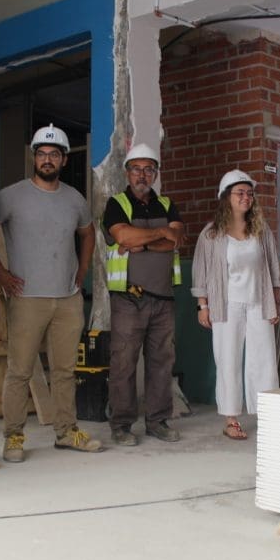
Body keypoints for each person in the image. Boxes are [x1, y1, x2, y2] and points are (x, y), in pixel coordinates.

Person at [0, 124, 101, 462]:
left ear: (64, 159)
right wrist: (0, 273)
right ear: (34, 157)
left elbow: (88, 233)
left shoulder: (74, 199)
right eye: (41, 153)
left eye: (54, 154)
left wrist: (82, 270)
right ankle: (13, 437)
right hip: (26, 298)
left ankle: (66, 432)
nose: (47, 159)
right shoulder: (10, 196)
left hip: (67, 299)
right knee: (20, 371)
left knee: (65, 371)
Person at [191, 170, 280, 440]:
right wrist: (202, 306)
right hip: (226, 305)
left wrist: (277, 302)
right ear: (226, 197)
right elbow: (200, 271)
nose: (246, 197)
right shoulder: (211, 234)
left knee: (264, 360)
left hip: (259, 304)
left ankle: (268, 415)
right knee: (228, 360)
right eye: (240, 193)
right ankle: (231, 419)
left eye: (250, 193)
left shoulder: (261, 230)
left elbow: (273, 267)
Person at [103, 143, 183, 446]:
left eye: (149, 169)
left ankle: (157, 421)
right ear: (127, 172)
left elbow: (176, 239)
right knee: (123, 363)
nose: (142, 174)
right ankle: (121, 425)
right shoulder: (116, 204)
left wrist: (144, 242)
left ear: (155, 174)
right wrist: (160, 233)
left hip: (163, 298)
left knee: (162, 363)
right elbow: (122, 236)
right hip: (129, 299)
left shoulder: (167, 204)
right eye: (136, 168)